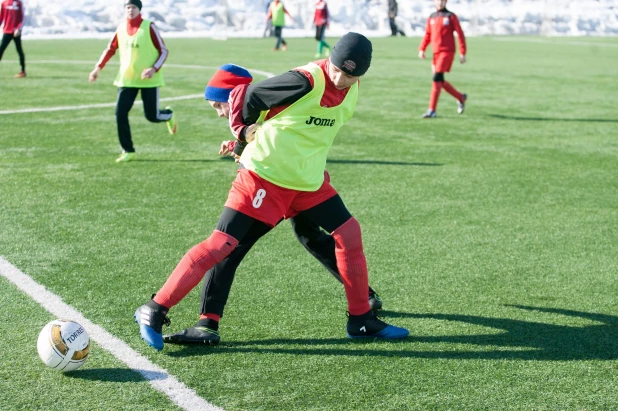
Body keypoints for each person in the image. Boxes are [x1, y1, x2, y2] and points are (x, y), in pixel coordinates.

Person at [134, 33, 409, 351]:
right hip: (264, 179)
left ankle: (361, 319)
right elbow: (245, 95)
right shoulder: (304, 80)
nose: (341, 78)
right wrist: (240, 133)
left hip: (307, 182)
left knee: (349, 234)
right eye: (338, 69)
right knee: (223, 245)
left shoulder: (351, 87)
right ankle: (155, 309)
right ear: (329, 59)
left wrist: (243, 143)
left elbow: (294, 125)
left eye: (351, 75)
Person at [88, 0, 178, 163]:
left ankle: (168, 115)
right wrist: (97, 68)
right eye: (128, 7)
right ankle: (128, 150)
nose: (130, 10)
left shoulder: (149, 26)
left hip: (148, 80)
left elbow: (163, 51)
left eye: (133, 7)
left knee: (151, 116)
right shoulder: (121, 28)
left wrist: (153, 69)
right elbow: (110, 49)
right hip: (127, 80)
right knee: (120, 113)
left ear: (139, 9)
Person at [418, 0, 467, 118]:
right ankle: (460, 97)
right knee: (439, 81)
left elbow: (460, 34)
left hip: (447, 52)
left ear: (446, 2)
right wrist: (422, 49)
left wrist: (462, 52)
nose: (440, 3)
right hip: (436, 54)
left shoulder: (451, 16)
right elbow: (428, 34)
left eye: (442, 1)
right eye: (438, 1)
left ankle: (432, 110)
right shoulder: (432, 17)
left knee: (436, 78)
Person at [0, 0, 26, 78]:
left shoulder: (19, 3)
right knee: (1, 50)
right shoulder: (4, 3)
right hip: (7, 31)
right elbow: (1, 17)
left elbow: (23, 18)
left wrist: (19, 28)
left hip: (16, 32)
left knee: (19, 50)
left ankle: (23, 71)